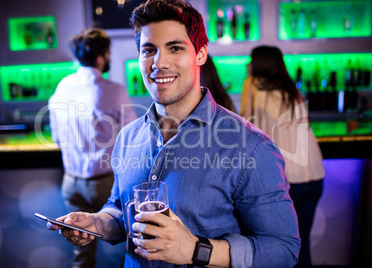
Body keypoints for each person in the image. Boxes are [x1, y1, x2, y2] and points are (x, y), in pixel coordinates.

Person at [49, 1, 300, 267]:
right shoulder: (127, 137)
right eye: (149, 50)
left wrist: (195, 249)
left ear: (201, 54)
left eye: (175, 48)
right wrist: (98, 222)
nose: (159, 62)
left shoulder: (251, 146)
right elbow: (120, 210)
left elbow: (283, 249)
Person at [48, 27, 137, 268]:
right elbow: (133, 138)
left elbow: (56, 138)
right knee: (132, 243)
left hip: (71, 183)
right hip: (104, 184)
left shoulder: (61, 88)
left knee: (81, 251)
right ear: (101, 57)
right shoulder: (113, 90)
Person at [240, 45, 325, 268]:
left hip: (285, 178)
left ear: (260, 63)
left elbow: (244, 127)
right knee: (300, 244)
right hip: (314, 175)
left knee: (281, 249)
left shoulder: (252, 84)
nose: (247, 64)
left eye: (251, 60)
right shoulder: (291, 89)